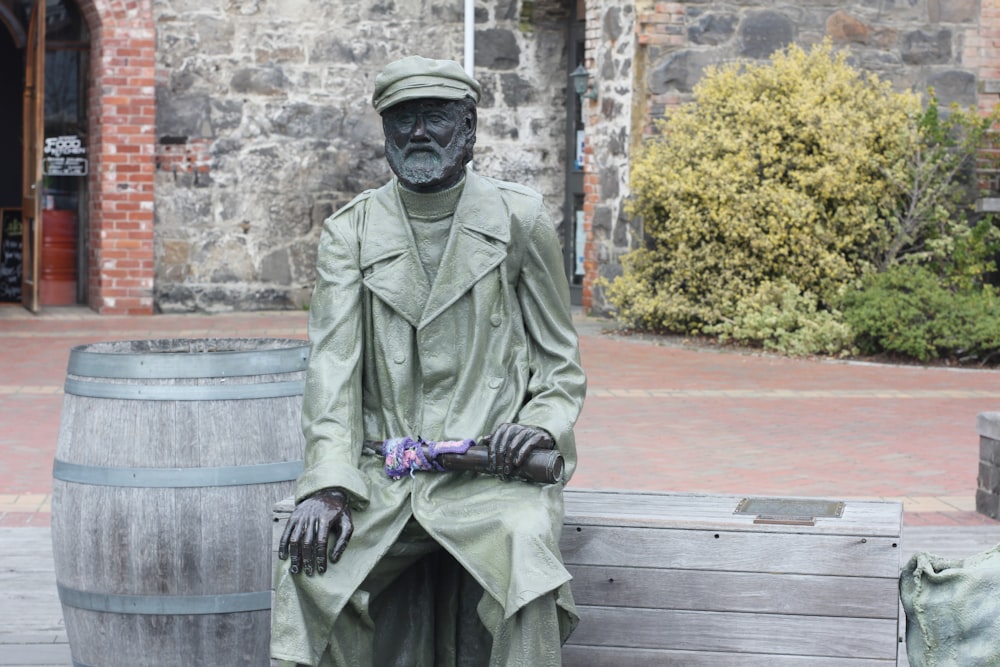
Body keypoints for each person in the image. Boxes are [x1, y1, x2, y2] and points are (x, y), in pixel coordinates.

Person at [270, 55, 587, 667]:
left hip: (492, 475)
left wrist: (541, 426)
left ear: (468, 129)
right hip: (384, 477)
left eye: (434, 117)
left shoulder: (520, 220)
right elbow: (332, 370)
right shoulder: (350, 233)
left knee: (528, 560)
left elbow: (559, 366)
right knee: (307, 569)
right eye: (402, 119)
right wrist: (329, 484)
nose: (418, 132)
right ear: (385, 131)